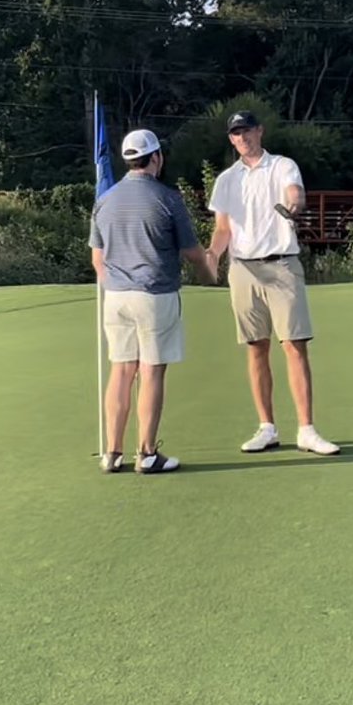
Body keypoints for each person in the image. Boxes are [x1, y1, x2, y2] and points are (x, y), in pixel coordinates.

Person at [206, 110, 340, 456]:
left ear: (260, 131)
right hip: (243, 269)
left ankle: (307, 430)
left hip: (282, 265)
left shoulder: (282, 165)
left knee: (294, 345)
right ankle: (267, 428)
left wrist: (293, 205)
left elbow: (296, 195)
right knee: (256, 347)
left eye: (247, 130)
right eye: (236, 133)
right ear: (231, 139)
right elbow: (223, 229)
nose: (242, 138)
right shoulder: (226, 180)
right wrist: (212, 255)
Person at [89, 128, 215, 475]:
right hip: (155, 295)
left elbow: (97, 258)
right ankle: (146, 454)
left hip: (115, 297)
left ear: (128, 160)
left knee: (121, 370)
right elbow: (192, 253)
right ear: (156, 157)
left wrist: (116, 284)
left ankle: (112, 454)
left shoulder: (105, 199)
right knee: (152, 371)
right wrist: (209, 271)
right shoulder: (167, 198)